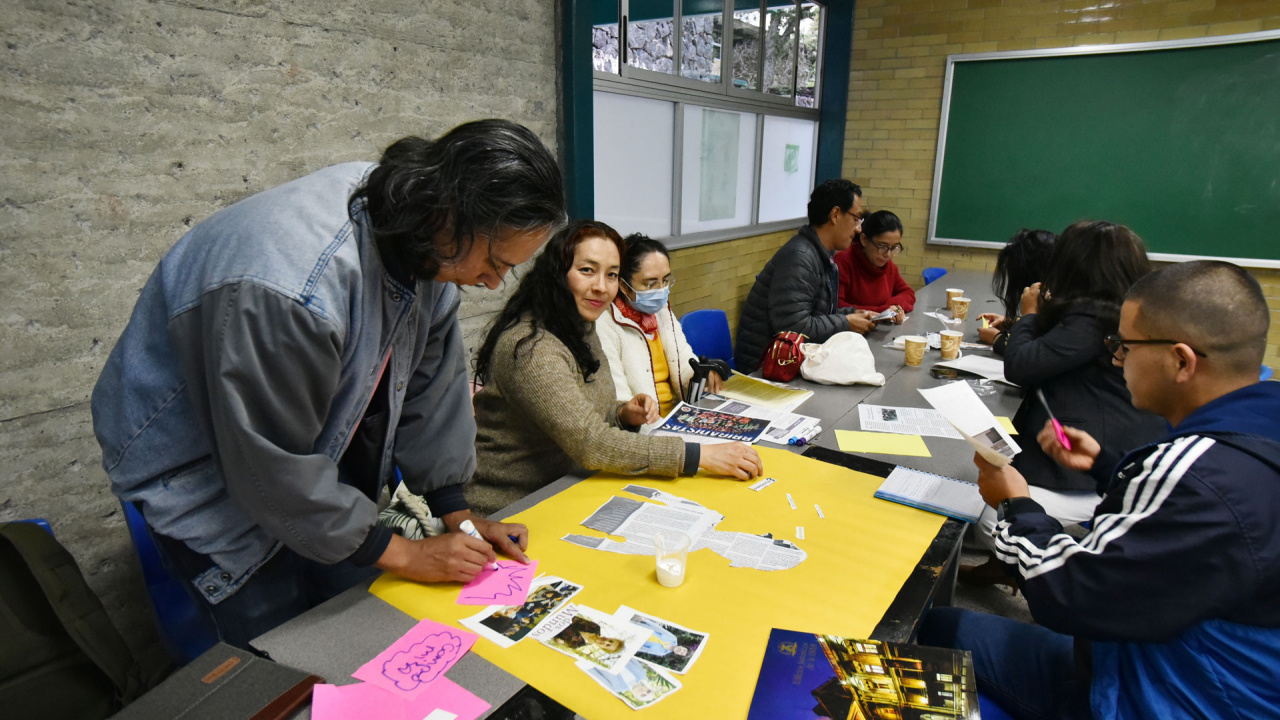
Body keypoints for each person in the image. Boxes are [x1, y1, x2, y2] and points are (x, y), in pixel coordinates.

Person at [90, 120, 565, 647]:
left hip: (307, 463)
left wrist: (457, 512)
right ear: (448, 215)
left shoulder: (426, 241)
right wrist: (407, 552)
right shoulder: (294, 288)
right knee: (285, 645)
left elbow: (432, 387)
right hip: (206, 471)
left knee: (356, 617)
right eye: (495, 262)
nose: (494, 282)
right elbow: (268, 465)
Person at [919, 260, 1280, 719]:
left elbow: (1067, 593)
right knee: (943, 623)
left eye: (1124, 346)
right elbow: (1185, 535)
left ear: (1181, 361)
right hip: (1182, 658)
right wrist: (1109, 468)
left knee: (925, 635)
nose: (1116, 359)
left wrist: (1014, 502)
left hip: (1153, 695)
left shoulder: (1197, 475)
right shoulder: (1258, 428)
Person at [467, 221, 763, 517]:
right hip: (513, 510)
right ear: (557, 273)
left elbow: (590, 415)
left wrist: (622, 413)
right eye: (587, 270)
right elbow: (591, 442)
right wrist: (701, 456)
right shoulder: (531, 347)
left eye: (611, 275)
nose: (601, 286)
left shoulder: (580, 327)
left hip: (570, 489)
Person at [961, 221, 1167, 586]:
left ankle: (1031, 573)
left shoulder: (1092, 316)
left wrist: (1029, 315)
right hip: (1118, 446)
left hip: (1095, 463)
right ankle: (1002, 567)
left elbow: (1022, 365)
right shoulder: (1118, 308)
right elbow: (1053, 347)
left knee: (986, 512)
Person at [735, 179, 879, 372]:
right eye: (856, 219)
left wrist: (852, 315)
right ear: (835, 214)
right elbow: (793, 327)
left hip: (791, 361)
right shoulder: (800, 256)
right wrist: (845, 323)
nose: (858, 228)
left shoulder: (821, 254)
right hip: (766, 367)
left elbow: (818, 315)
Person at [596, 234, 721, 417]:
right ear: (623, 286)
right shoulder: (605, 324)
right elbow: (619, 401)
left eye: (665, 280)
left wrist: (702, 376)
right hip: (644, 430)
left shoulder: (661, 312)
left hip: (676, 418)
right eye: (650, 284)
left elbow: (685, 363)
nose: (661, 290)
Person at [976, 229, 1057, 353]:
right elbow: (1047, 326)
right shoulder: (1059, 290)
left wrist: (997, 339)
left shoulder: (1066, 302)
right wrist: (1014, 323)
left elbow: (1031, 356)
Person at [833, 209, 916, 323]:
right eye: (882, 246)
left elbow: (908, 294)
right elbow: (837, 306)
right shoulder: (843, 262)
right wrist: (884, 311)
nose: (888, 254)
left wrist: (895, 307)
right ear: (864, 240)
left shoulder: (888, 266)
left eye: (894, 247)